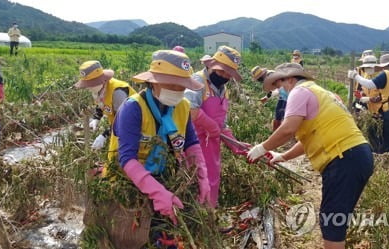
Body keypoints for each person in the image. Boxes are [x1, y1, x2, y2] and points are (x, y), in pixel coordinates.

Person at [247, 63, 374, 249]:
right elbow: (309, 138)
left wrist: (260, 148)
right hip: (356, 154)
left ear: (290, 79)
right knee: (336, 218)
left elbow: (288, 129)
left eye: (279, 84)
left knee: (331, 222)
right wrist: (282, 156)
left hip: (343, 157)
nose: (279, 90)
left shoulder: (299, 92)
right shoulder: (322, 93)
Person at [112, 49, 210, 246]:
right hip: (128, 179)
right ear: (153, 82)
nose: (176, 90)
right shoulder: (133, 108)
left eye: (181, 86)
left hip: (162, 174)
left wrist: (202, 174)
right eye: (171, 84)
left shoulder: (182, 106)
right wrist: (157, 192)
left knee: (168, 230)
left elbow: (191, 143)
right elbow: (126, 159)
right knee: (131, 234)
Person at [184, 45, 248, 208]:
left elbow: (222, 123)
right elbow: (190, 110)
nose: (225, 76)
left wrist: (235, 144)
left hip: (212, 144)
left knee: (213, 178)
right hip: (194, 142)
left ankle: (210, 217)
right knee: (197, 179)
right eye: (221, 71)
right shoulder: (198, 81)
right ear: (212, 65)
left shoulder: (223, 89)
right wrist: (211, 125)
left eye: (228, 73)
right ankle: (198, 218)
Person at [74, 61, 135, 161]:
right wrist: (96, 118)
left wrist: (104, 135)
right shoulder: (98, 90)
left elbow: (121, 121)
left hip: (132, 127)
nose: (88, 87)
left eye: (91, 84)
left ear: (101, 80)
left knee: (122, 157)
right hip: (118, 127)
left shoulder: (118, 92)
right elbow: (101, 104)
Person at [251, 66, 286, 131]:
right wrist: (266, 97)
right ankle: (275, 133)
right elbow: (273, 90)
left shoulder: (271, 76)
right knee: (278, 115)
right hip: (283, 95)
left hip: (287, 95)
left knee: (284, 116)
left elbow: (279, 89)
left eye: (259, 79)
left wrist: (266, 98)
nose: (260, 81)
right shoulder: (268, 76)